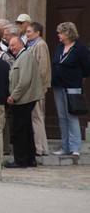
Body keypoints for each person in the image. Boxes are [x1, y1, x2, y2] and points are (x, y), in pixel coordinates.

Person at [51, 22, 90, 156]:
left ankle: (75, 147)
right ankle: (65, 146)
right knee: (62, 117)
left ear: (67, 33)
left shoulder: (79, 49)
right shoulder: (59, 47)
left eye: (60, 33)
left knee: (72, 116)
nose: (58, 35)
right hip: (58, 85)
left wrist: (79, 78)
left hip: (72, 86)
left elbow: (87, 68)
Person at [5, 36, 44, 168]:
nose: (11, 48)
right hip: (23, 99)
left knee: (19, 130)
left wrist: (13, 96)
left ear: (21, 44)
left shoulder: (25, 57)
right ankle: (29, 158)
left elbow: (24, 81)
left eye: (13, 45)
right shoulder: (21, 57)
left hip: (24, 99)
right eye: (10, 46)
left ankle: (20, 160)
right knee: (26, 129)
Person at [26, 22, 51, 156]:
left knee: (37, 116)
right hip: (34, 87)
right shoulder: (32, 45)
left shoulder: (40, 45)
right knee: (36, 116)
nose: (27, 34)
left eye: (29, 31)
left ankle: (39, 147)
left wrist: (37, 86)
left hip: (37, 88)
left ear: (37, 33)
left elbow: (42, 68)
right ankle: (41, 146)